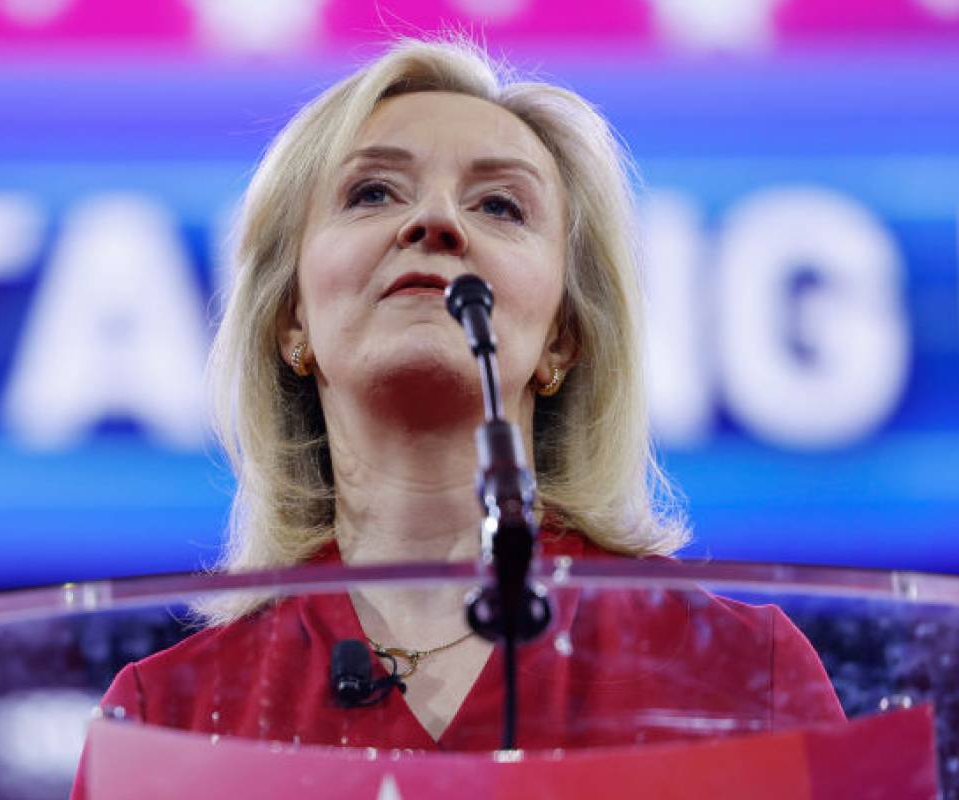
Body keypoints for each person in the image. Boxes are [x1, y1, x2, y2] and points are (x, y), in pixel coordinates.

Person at [82, 36, 844, 775]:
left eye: (501, 206)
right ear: (292, 321)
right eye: (373, 191)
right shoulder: (170, 723)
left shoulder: (745, 680)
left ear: (562, 339)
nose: (436, 223)